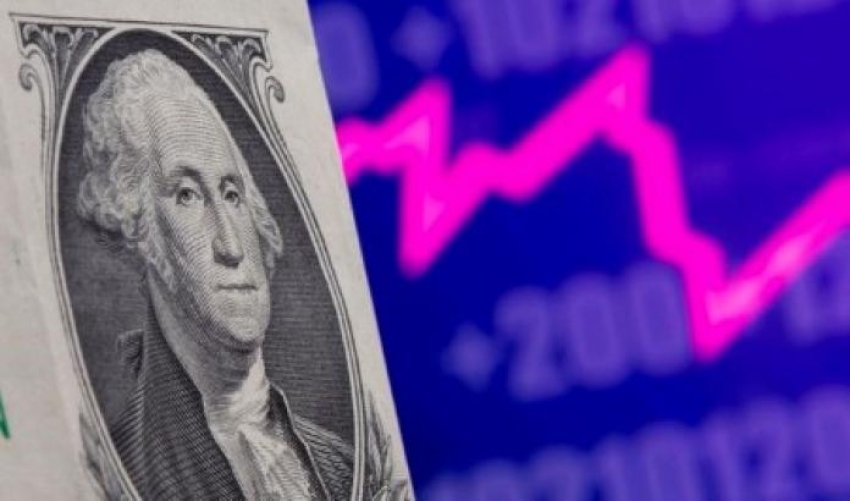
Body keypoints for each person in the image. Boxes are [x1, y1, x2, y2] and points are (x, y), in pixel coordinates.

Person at [76, 49, 352, 500]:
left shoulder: (343, 466)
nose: (231, 246)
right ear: (138, 226)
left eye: (231, 194)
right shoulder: (117, 472)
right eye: (187, 195)